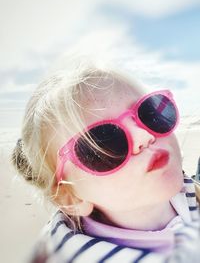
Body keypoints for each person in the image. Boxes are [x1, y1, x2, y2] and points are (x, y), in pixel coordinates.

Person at [11, 56, 200, 262]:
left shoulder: (185, 191)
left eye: (149, 113)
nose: (145, 137)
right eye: (105, 142)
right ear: (70, 197)